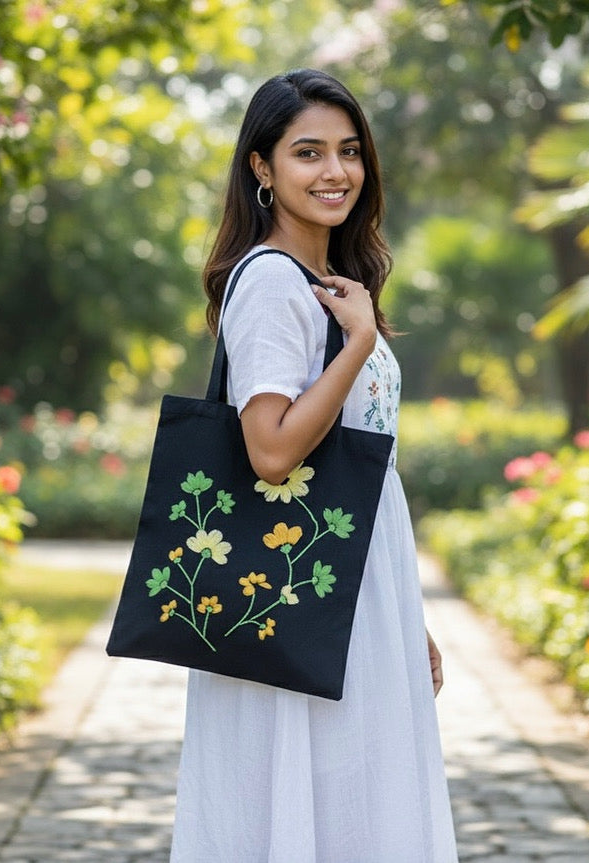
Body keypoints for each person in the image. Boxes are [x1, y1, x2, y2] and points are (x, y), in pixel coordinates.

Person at [169, 68, 459, 863]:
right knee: (322, 811)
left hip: (345, 591)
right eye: (307, 152)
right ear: (261, 168)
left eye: (349, 151)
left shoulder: (329, 285)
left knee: (344, 808)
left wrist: (404, 610)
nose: (335, 171)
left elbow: (349, 467)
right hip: (299, 597)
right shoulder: (270, 283)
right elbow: (270, 451)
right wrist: (359, 343)